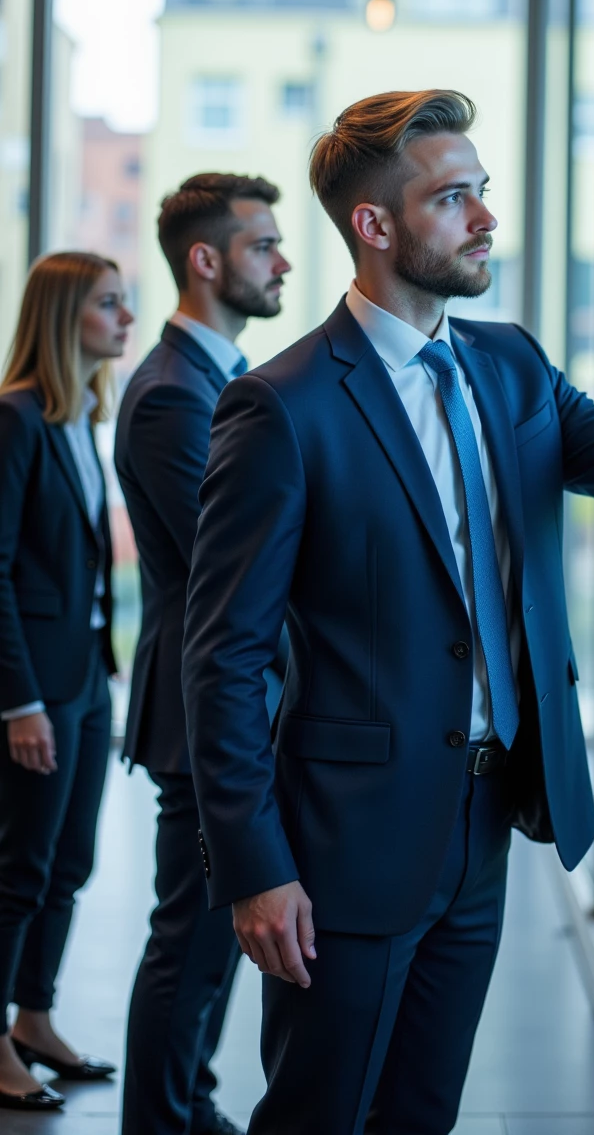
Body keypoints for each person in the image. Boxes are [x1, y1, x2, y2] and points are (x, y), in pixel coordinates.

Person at [181, 89, 594, 1134]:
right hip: (344, 843)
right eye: (454, 199)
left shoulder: (508, 365)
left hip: (486, 820)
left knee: (422, 1111)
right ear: (375, 225)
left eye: (481, 192)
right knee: (318, 1114)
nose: (485, 219)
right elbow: (221, 658)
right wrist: (255, 867)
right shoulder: (282, 405)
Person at [116, 174, 291, 1135]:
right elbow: (237, 570)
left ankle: (189, 1105)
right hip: (200, 713)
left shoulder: (213, 381)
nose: (284, 262)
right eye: (265, 245)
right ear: (207, 260)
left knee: (211, 944)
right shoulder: (171, 399)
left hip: (220, 701)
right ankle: (160, 1121)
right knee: (188, 940)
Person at [0, 251, 133, 1113]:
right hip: (37, 691)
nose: (125, 320)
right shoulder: (14, 420)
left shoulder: (81, 418)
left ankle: (35, 1017)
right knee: (19, 867)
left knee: (70, 862)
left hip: (87, 676)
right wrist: (18, 701)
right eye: (109, 306)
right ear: (63, 318)